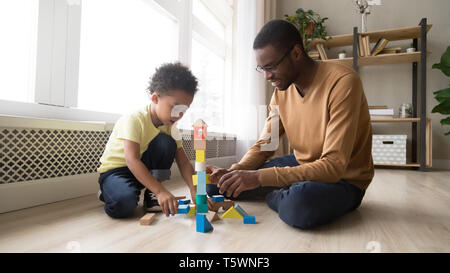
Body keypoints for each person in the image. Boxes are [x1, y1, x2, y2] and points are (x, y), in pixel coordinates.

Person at [207, 19, 374, 229]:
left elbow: (333, 167)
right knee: (217, 188)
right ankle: (287, 190)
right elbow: (266, 145)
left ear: (296, 53)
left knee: (298, 206)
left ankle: (281, 195)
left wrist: (259, 178)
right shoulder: (281, 93)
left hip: (344, 180)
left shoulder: (343, 82)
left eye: (272, 67)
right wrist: (235, 170)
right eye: (262, 69)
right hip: (302, 165)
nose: (267, 76)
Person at [97, 62, 198, 218]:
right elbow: (132, 160)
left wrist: (195, 189)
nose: (179, 116)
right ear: (155, 98)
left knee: (167, 142)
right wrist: (161, 191)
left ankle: (151, 196)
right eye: (175, 108)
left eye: (184, 111)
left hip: (142, 168)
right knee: (124, 204)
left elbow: (183, 162)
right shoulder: (134, 119)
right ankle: (108, 193)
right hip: (116, 172)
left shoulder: (171, 127)